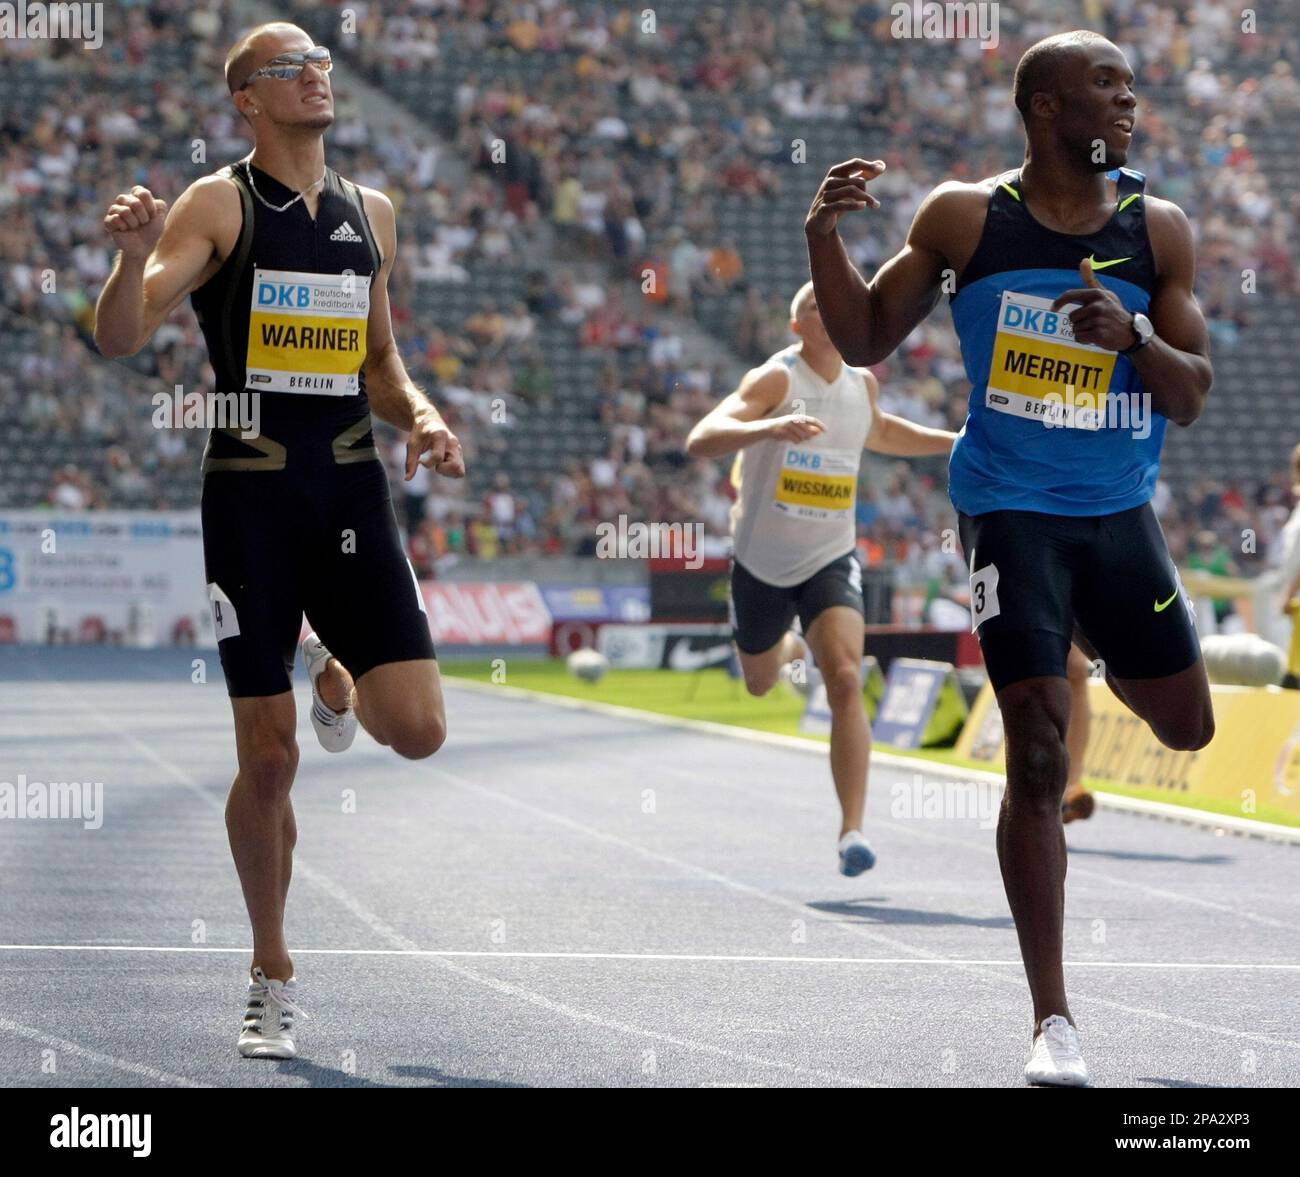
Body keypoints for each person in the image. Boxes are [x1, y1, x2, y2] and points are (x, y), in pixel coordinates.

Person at [805, 31, 1215, 1086]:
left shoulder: (1154, 231)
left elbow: (1191, 391)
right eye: (1106, 85)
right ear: (1043, 107)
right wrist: (822, 237)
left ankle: (1085, 629)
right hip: (1007, 509)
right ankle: (1053, 1021)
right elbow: (860, 342)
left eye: (1130, 84)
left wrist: (1130, 337)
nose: (1127, 100)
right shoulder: (961, 218)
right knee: (1036, 748)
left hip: (1116, 512)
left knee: (1188, 725)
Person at [93, 22, 465, 1060]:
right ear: (246, 100)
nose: (316, 75)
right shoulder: (220, 203)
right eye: (289, 68)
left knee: (422, 729)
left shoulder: (370, 212)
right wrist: (130, 263)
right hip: (250, 501)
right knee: (268, 761)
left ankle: (333, 662)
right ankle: (270, 966)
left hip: (349, 491)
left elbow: (382, 365)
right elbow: (120, 335)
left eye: (322, 63)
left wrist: (424, 419)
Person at [686, 281, 955, 876]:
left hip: (831, 557)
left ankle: (852, 829)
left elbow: (882, 433)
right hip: (762, 564)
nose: (825, 313)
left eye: (831, 304)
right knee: (759, 680)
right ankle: (782, 646)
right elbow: (701, 438)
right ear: (796, 326)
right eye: (813, 307)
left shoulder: (863, 383)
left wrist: (954, 443)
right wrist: (768, 428)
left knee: (843, 676)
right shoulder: (775, 380)